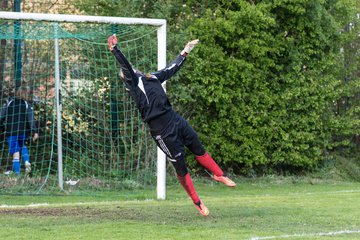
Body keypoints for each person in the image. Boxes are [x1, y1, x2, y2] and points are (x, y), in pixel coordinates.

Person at [107, 34, 236, 217]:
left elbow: (170, 69)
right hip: (162, 132)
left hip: (175, 119)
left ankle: (218, 174)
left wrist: (185, 51)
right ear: (126, 78)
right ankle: (198, 202)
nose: (128, 71)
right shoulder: (134, 84)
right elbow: (126, 67)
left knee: (197, 145)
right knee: (181, 167)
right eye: (124, 72)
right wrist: (115, 50)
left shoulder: (151, 78)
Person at [0, 86, 38, 175]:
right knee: (23, 146)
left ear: (17, 93)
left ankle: (17, 174)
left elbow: (1, 115)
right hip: (23, 132)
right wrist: (34, 131)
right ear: (27, 94)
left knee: (15, 152)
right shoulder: (27, 104)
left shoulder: (9, 103)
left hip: (11, 132)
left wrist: (2, 126)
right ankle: (26, 161)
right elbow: (30, 119)